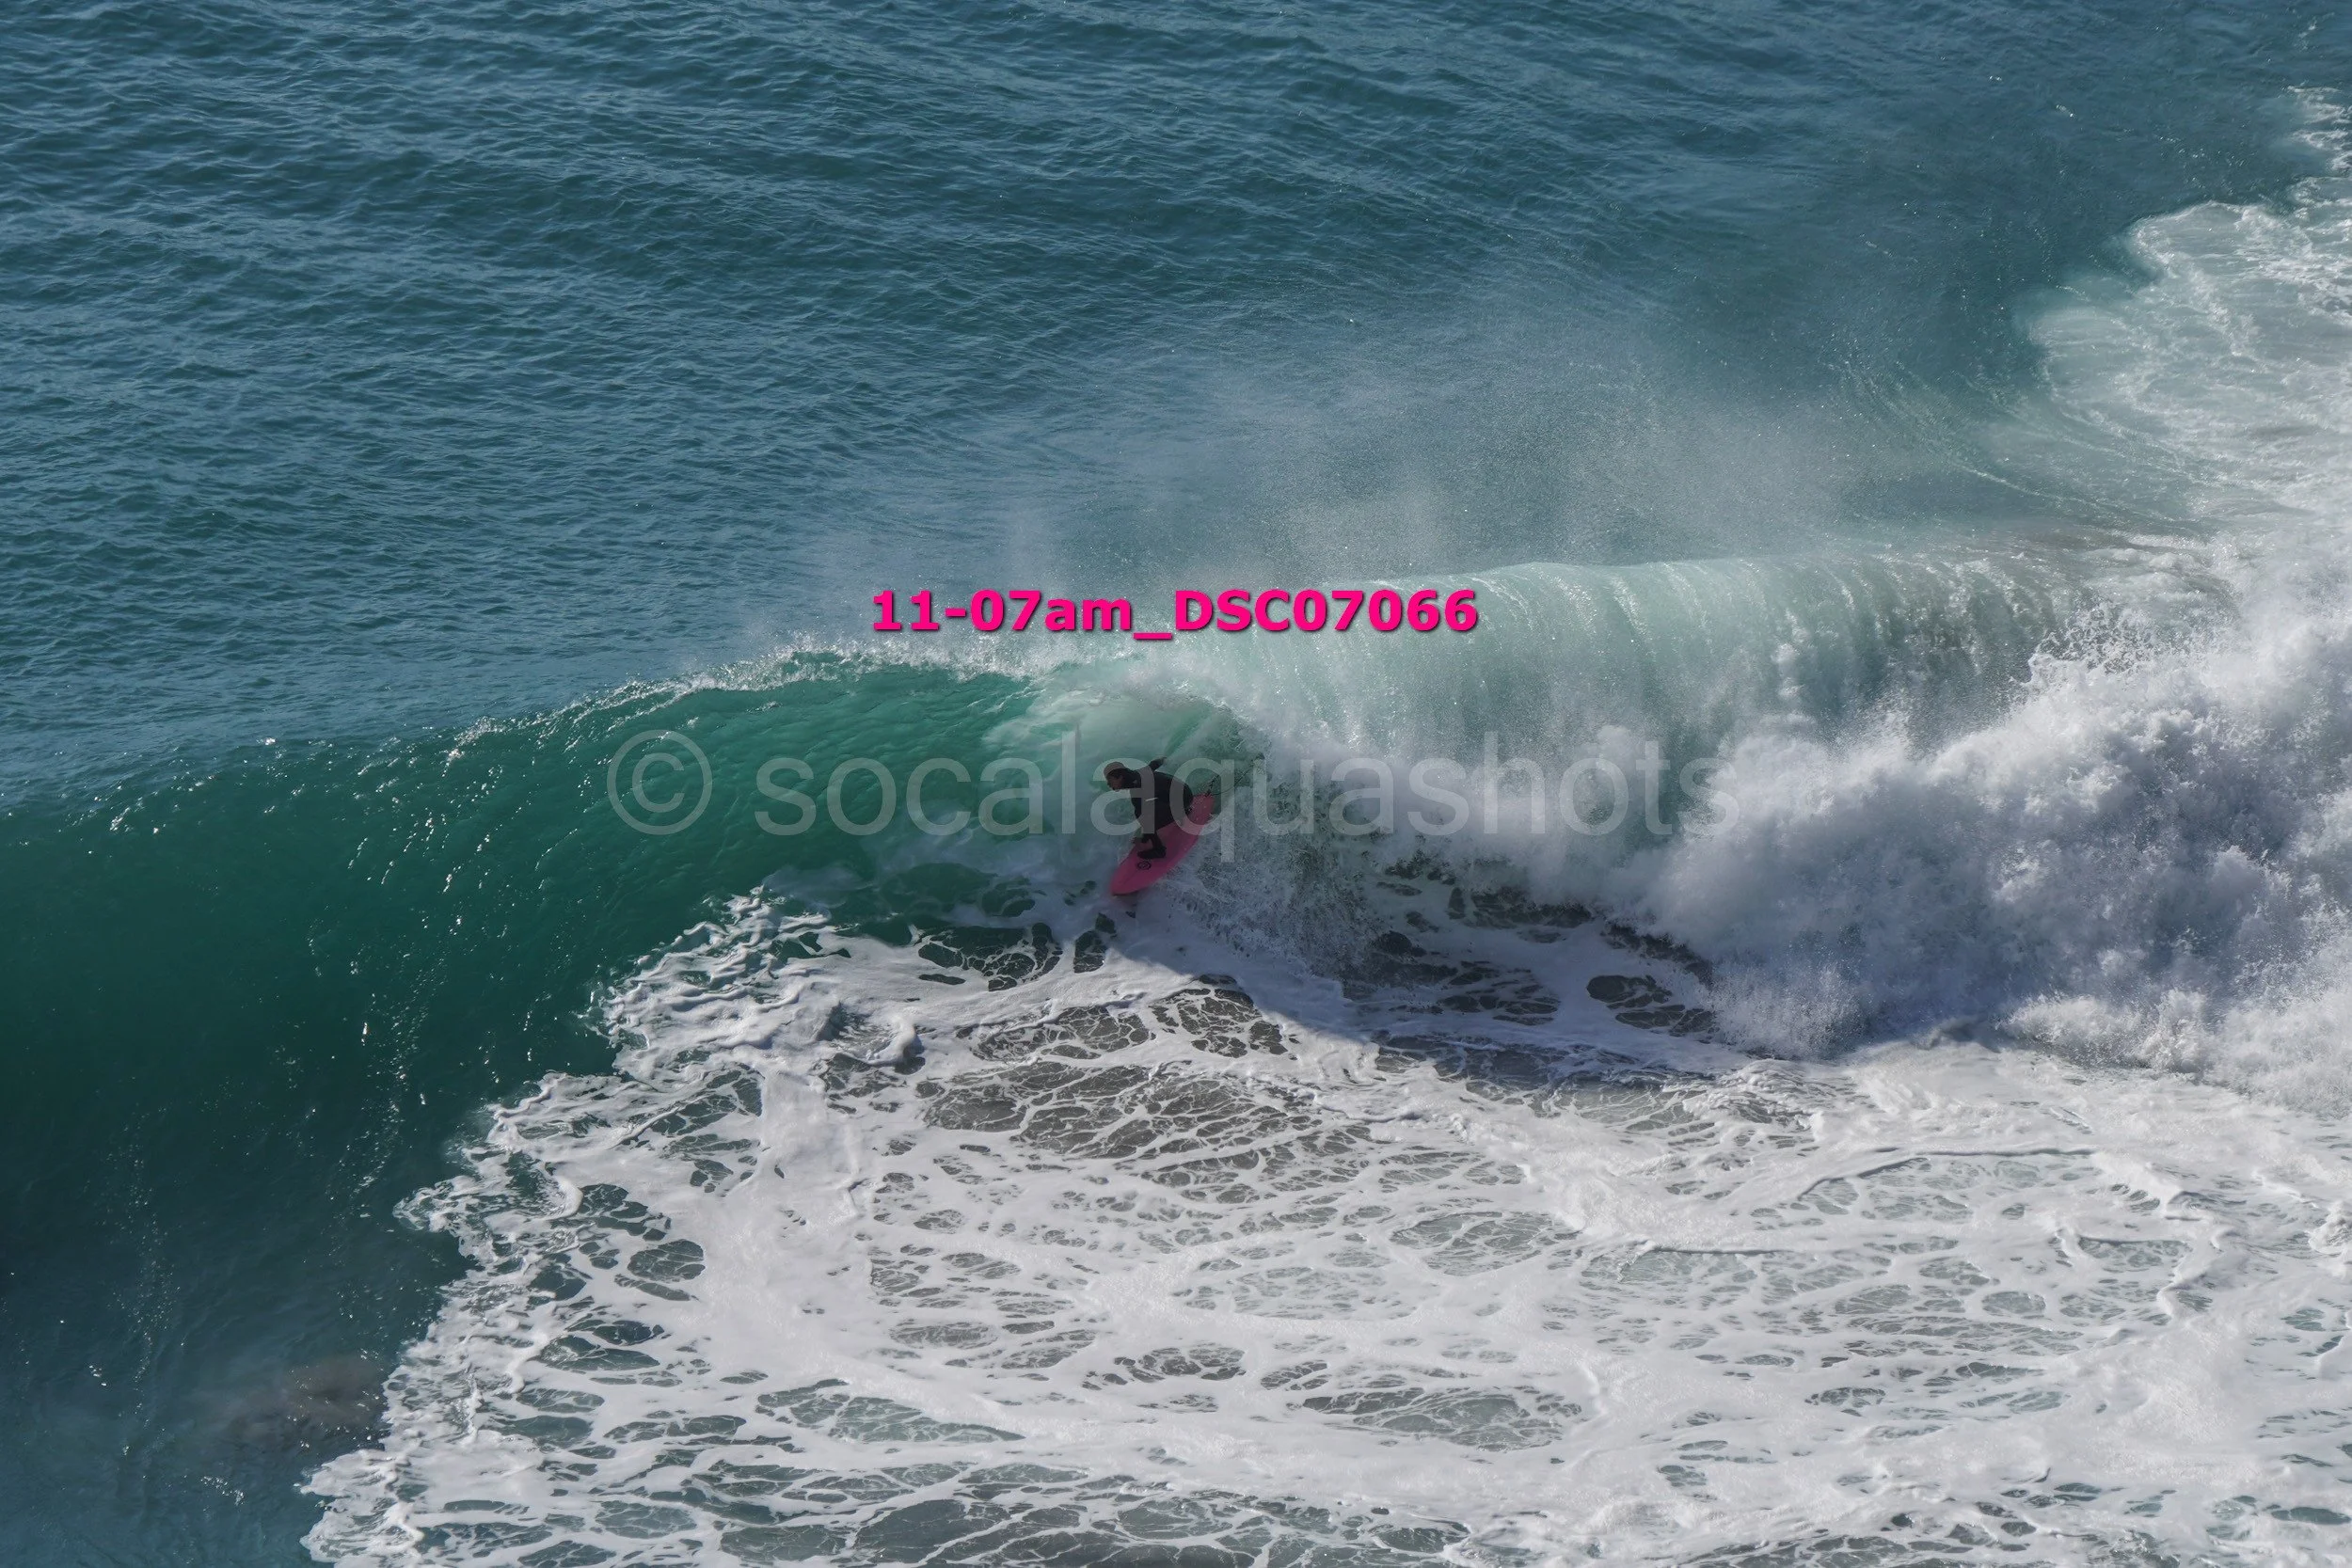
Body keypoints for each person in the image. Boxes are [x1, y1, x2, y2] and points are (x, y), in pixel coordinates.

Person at [1102, 758, 1194, 862]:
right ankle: (1182, 812)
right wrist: (1162, 759)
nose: (1108, 784)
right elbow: (1154, 763)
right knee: (1146, 810)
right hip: (1185, 792)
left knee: (1142, 816)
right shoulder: (1140, 772)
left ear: (1120, 777)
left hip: (1183, 799)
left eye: (1110, 780)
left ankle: (1159, 850)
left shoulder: (1137, 788)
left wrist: (1146, 837)